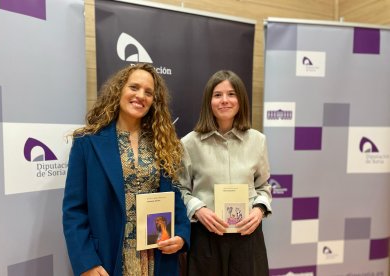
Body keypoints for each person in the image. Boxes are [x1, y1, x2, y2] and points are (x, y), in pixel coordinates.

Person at [62, 63, 190, 276]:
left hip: (157, 256)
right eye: (134, 87)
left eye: (148, 92)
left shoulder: (163, 143)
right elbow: (74, 210)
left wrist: (182, 235)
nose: (141, 96)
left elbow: (175, 198)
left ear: (153, 101)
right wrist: (86, 262)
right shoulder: (87, 142)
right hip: (108, 257)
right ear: (119, 90)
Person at [178, 70, 272, 276]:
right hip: (206, 238)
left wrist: (258, 210)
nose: (225, 100)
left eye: (231, 94)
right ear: (208, 102)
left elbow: (263, 187)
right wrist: (199, 210)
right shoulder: (189, 143)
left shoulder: (258, 141)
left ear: (240, 100)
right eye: (218, 95)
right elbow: (180, 189)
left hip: (248, 238)